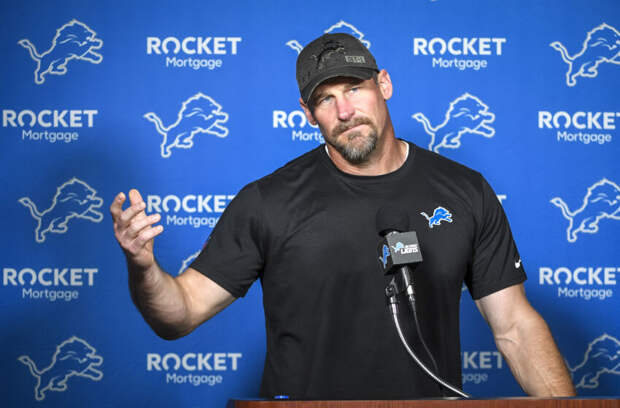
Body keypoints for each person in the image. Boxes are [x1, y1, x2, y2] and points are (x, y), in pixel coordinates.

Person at [111, 33, 576, 399]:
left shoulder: (465, 190)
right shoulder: (268, 201)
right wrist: (143, 268)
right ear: (308, 114)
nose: (345, 111)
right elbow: (180, 313)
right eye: (325, 99)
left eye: (354, 88)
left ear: (384, 85)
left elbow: (514, 325)